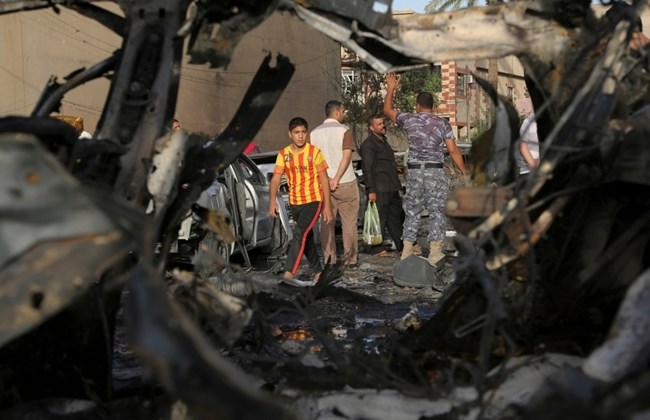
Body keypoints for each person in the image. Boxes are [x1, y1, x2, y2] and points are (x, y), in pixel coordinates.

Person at [384, 72, 467, 266]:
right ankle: (435, 252)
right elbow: (453, 150)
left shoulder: (409, 119)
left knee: (412, 210)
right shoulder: (442, 123)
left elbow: (388, 110)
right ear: (433, 106)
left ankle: (406, 251)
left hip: (414, 171)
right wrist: (464, 171)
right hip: (434, 171)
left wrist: (390, 89)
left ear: (418, 105)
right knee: (437, 211)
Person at [269, 117, 333, 285]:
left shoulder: (314, 152)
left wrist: (327, 206)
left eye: (304, 132)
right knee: (306, 237)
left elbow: (324, 179)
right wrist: (272, 202)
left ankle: (288, 274)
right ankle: (318, 271)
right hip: (295, 202)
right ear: (290, 134)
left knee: (299, 233)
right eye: (297, 132)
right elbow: (275, 179)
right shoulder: (284, 154)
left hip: (314, 200)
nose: (300, 136)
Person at [309, 100, 360, 268]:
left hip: (323, 184)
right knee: (349, 223)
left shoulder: (314, 133)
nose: (344, 114)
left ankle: (329, 258)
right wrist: (336, 178)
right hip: (345, 182)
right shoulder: (344, 131)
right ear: (337, 112)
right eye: (343, 111)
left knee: (326, 222)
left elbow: (314, 161)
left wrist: (326, 180)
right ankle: (350, 259)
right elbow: (346, 157)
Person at [359, 113, 404, 257]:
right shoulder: (368, 145)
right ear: (371, 128)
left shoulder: (384, 141)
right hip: (379, 188)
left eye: (383, 123)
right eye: (379, 124)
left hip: (391, 186)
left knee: (395, 218)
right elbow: (367, 168)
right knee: (379, 218)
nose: (383, 125)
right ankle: (375, 248)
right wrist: (370, 190)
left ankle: (401, 245)